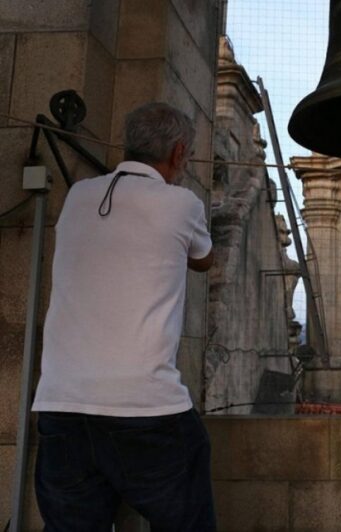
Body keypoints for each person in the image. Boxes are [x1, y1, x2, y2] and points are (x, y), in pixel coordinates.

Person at [31, 102, 216, 531]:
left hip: (62, 407)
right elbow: (204, 260)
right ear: (178, 153)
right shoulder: (182, 204)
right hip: (145, 408)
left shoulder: (78, 195)